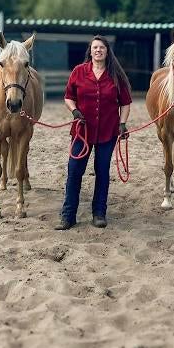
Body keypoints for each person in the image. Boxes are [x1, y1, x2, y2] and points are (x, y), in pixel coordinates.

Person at [56, 35, 132, 230]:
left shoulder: (116, 75)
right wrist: (74, 111)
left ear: (107, 52)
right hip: (82, 132)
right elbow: (68, 97)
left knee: (102, 172)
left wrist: (122, 124)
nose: (98, 50)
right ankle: (68, 215)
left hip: (108, 131)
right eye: (95, 47)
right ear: (90, 51)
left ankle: (99, 213)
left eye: (102, 48)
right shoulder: (79, 72)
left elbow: (125, 103)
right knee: (74, 171)